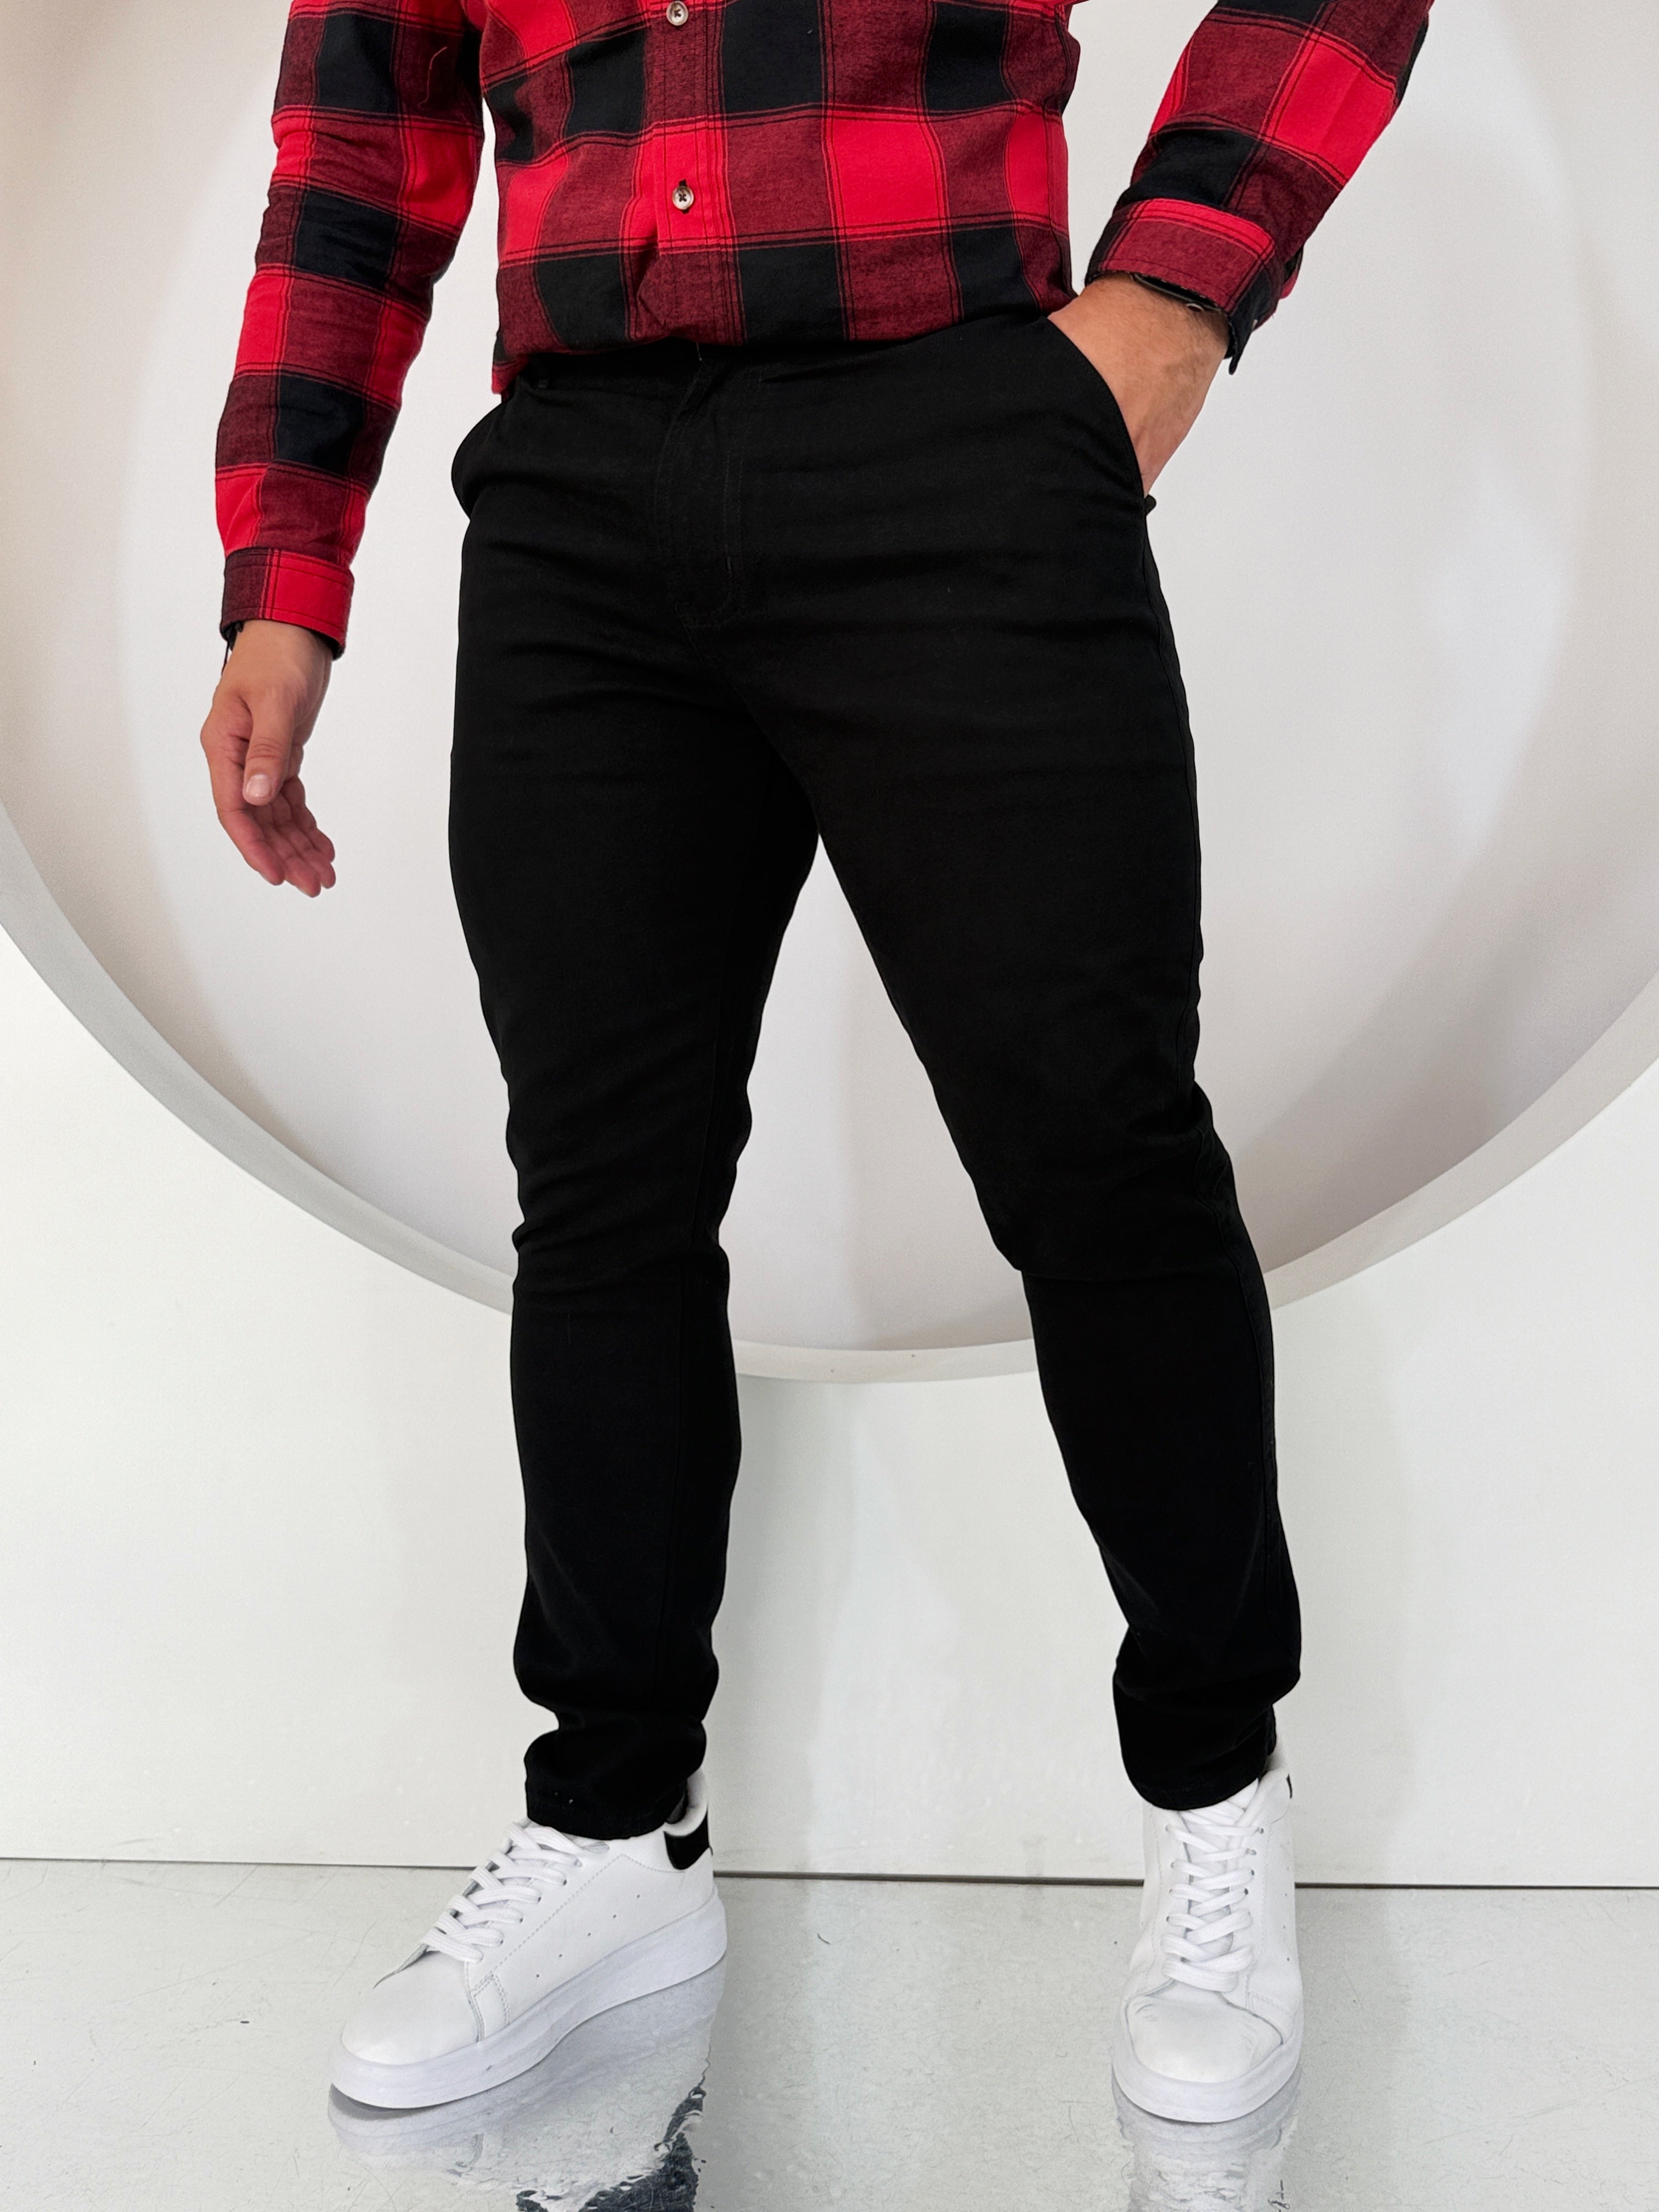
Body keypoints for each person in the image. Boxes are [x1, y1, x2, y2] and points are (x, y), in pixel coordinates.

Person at [202, 0, 1434, 2125]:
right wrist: (285, 579)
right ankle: (616, 1827)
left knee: (1096, 1154)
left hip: (956, 440)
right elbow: (359, 144)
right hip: (581, 495)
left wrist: (1177, 292)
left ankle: (1216, 1795)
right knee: (603, 1197)